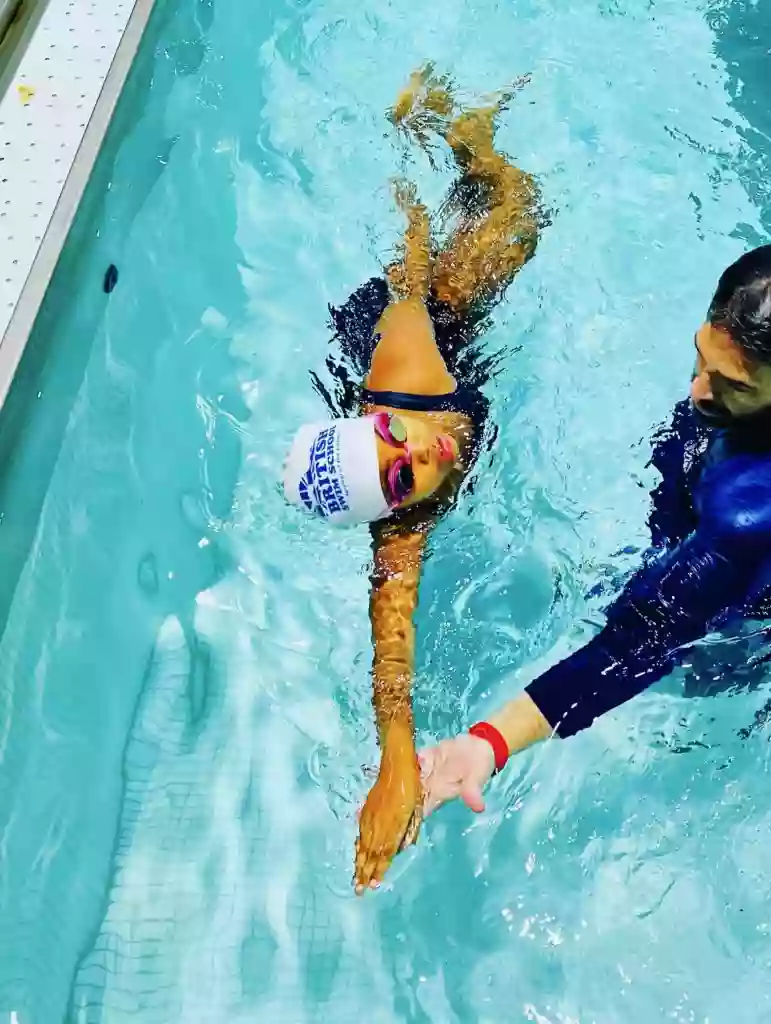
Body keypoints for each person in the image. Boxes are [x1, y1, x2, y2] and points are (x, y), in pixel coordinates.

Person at [418, 235, 771, 814]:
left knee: (695, 658)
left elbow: (640, 644)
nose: (698, 389)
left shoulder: (756, 516)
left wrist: (489, 742)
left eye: (734, 384)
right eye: (703, 358)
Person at [280, 66, 545, 893]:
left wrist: (412, 205)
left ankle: (469, 140)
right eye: (400, 478)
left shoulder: (411, 385)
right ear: (399, 510)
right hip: (386, 375)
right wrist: (396, 757)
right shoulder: (405, 524)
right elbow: (389, 642)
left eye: (393, 442)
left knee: (516, 220)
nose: (416, 456)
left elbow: (408, 280)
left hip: (405, 332)